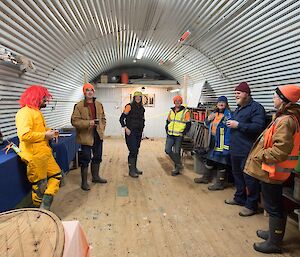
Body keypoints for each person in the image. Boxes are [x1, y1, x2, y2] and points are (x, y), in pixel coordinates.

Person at [244, 85, 300, 254]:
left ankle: (274, 243)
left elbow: (280, 150)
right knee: (273, 203)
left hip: (274, 170)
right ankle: (273, 234)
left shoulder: (286, 121)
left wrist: (260, 155)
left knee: (274, 206)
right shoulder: (283, 117)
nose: (273, 99)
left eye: (275, 97)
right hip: (272, 170)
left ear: (283, 100)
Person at [15, 85, 62, 210]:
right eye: (44, 98)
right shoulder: (24, 113)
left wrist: (50, 131)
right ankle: (40, 214)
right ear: (35, 97)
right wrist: (45, 135)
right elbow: (24, 135)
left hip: (44, 153)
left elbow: (39, 130)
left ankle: (44, 207)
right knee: (40, 186)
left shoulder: (36, 112)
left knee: (56, 175)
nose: (46, 100)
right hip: (34, 155)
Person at [225, 82, 266, 216]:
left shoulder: (256, 108)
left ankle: (251, 205)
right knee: (237, 175)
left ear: (247, 94)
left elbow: (258, 127)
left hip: (247, 149)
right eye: (235, 93)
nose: (236, 95)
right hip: (235, 149)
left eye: (239, 93)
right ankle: (239, 198)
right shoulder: (239, 108)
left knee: (249, 178)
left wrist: (238, 125)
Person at [71, 83, 107, 191]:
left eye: (91, 90)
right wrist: (89, 123)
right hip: (86, 136)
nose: (90, 92)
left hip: (98, 135)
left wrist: (102, 127)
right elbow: (74, 121)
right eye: (87, 90)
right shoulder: (79, 106)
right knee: (85, 159)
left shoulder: (99, 104)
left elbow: (103, 118)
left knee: (98, 157)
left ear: (94, 92)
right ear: (84, 92)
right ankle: (84, 182)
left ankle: (95, 177)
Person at [194, 96, 231, 190]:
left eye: (223, 102)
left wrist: (226, 145)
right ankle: (205, 178)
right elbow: (206, 124)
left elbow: (229, 130)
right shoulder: (214, 113)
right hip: (213, 140)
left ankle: (220, 183)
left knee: (221, 161)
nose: (221, 104)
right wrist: (208, 118)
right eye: (219, 102)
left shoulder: (228, 115)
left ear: (226, 104)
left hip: (222, 141)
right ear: (217, 104)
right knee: (209, 159)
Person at [119, 91, 145, 178]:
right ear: (133, 98)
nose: (138, 98)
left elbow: (142, 119)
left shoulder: (141, 108)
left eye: (139, 97)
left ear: (141, 98)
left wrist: (142, 129)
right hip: (131, 132)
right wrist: (125, 128)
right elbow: (121, 119)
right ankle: (131, 171)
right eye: (136, 97)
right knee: (132, 150)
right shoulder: (129, 106)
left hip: (138, 132)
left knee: (136, 150)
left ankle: (135, 168)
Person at [165, 95, 191, 176]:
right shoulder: (171, 110)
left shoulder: (185, 111)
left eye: (179, 101)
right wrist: (166, 128)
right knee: (167, 150)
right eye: (176, 101)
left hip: (179, 135)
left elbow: (188, 123)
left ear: (181, 102)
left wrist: (184, 132)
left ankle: (177, 169)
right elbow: (168, 121)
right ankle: (179, 164)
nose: (177, 102)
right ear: (174, 102)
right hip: (170, 134)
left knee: (177, 152)